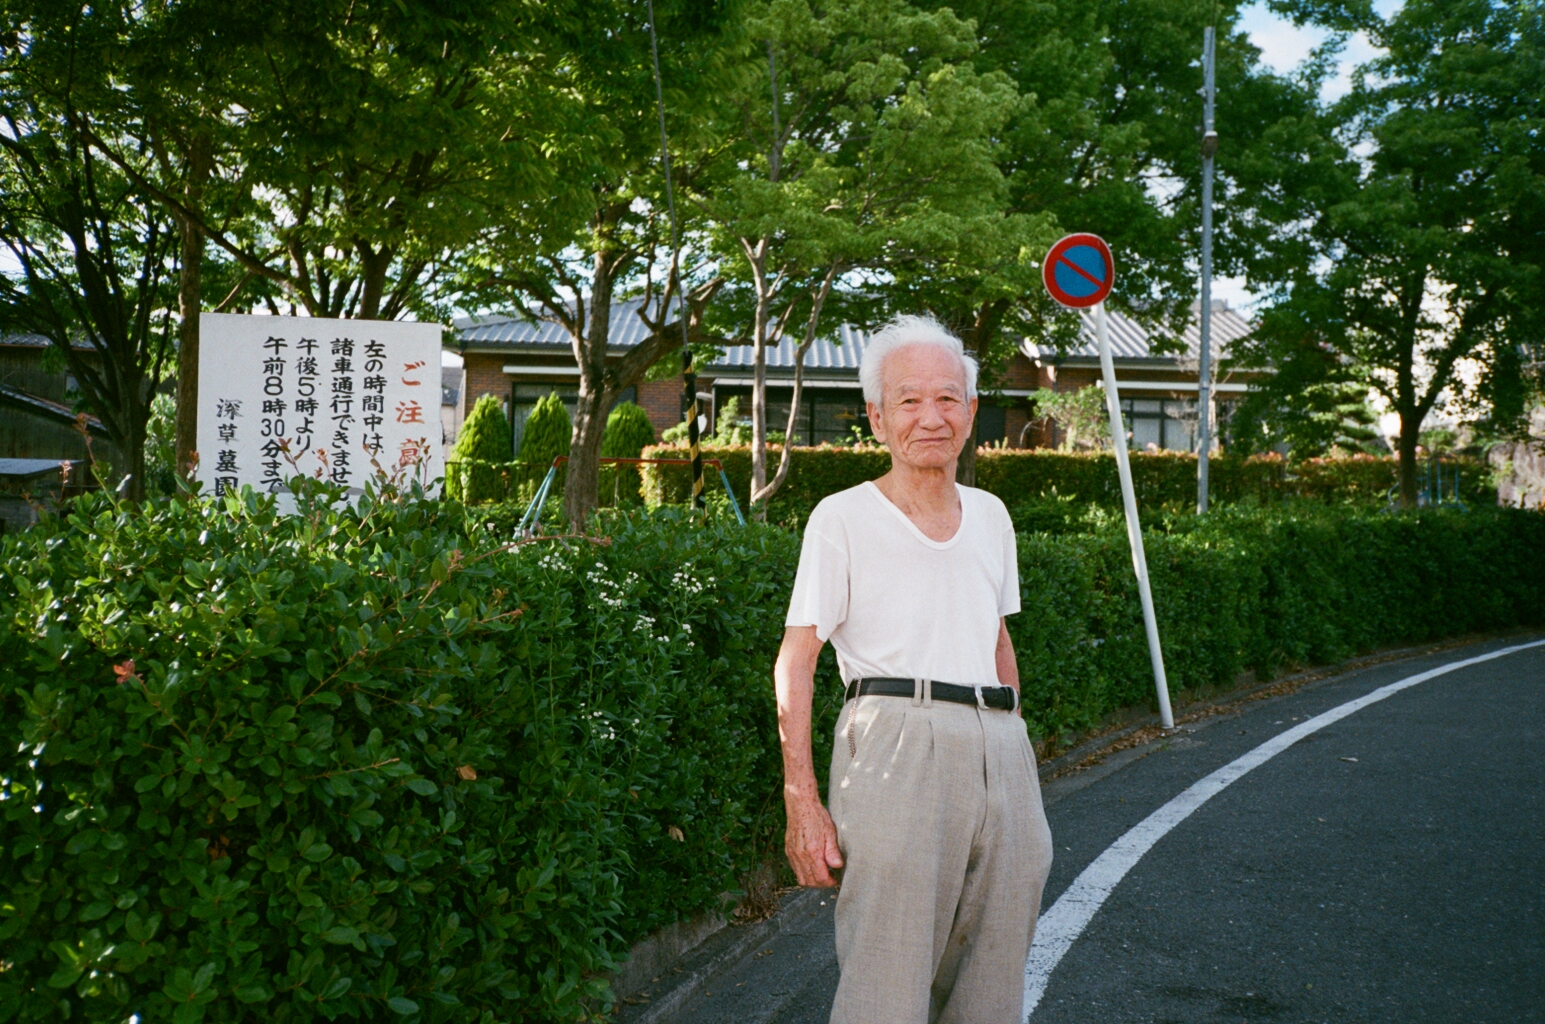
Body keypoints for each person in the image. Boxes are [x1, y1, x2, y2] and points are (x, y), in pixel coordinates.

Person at [774, 314, 1054, 1024]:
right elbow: (796, 660)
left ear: (971, 411)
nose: (931, 417)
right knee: (886, 986)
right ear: (876, 417)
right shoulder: (841, 518)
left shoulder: (991, 515)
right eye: (908, 400)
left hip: (1000, 747)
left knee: (994, 985)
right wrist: (802, 800)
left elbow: (996, 638)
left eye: (948, 398)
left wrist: (1011, 736)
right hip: (895, 743)